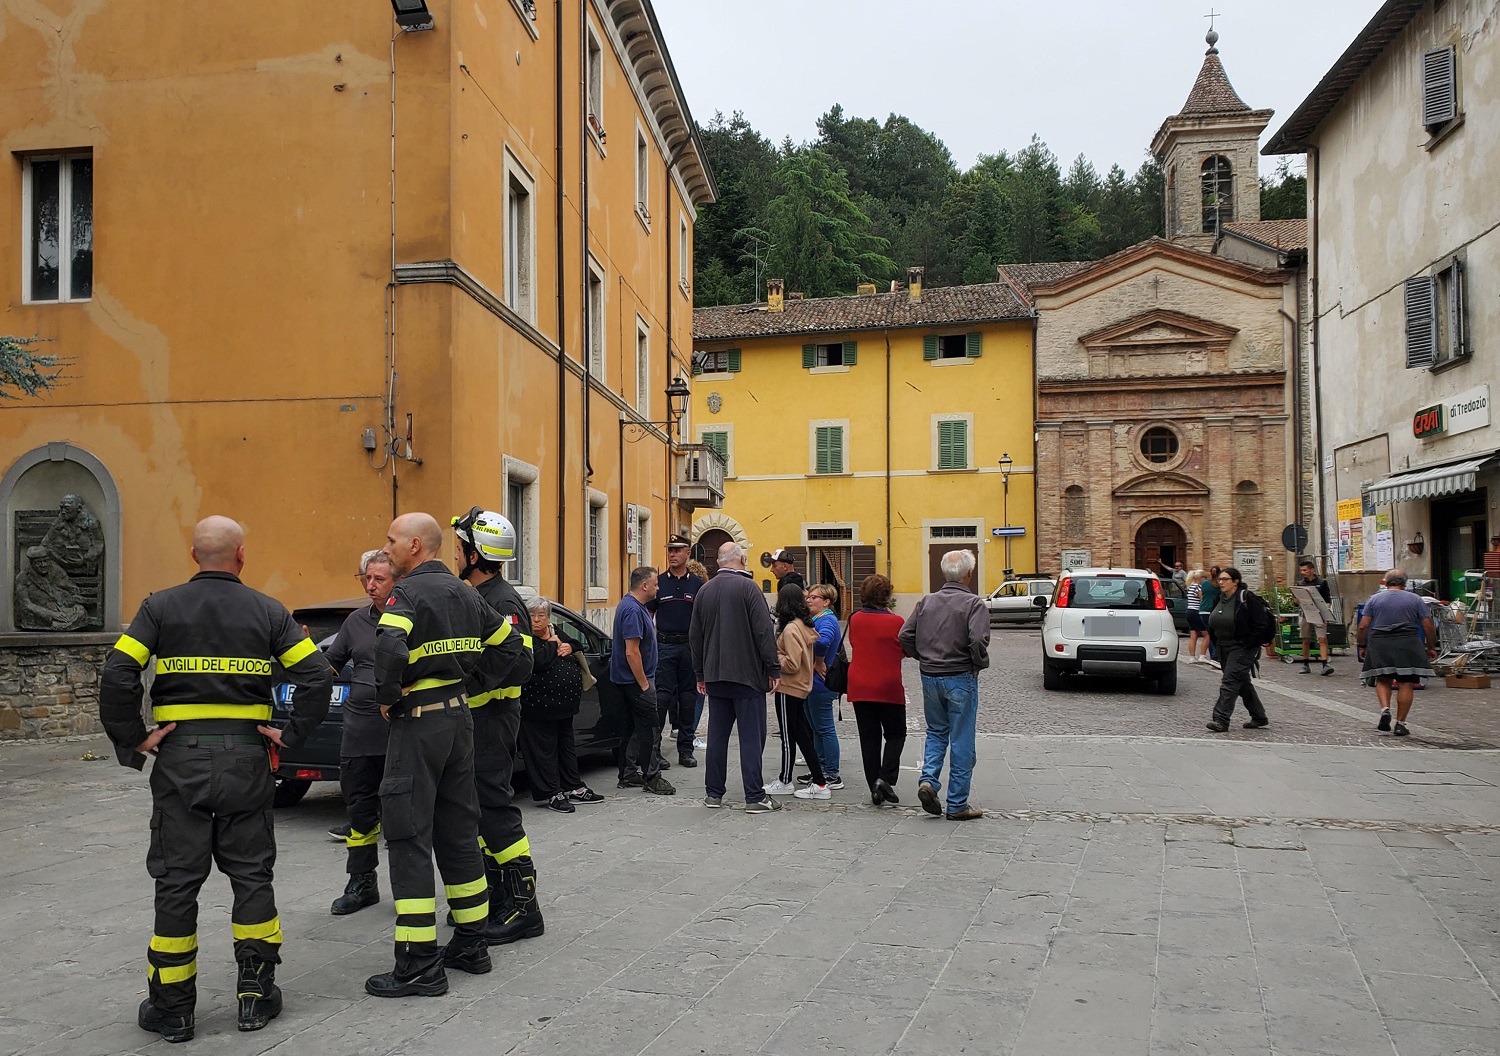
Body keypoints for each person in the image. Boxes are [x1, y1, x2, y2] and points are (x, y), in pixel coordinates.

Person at [99, 516, 331, 1042]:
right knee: (251, 875)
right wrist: (289, 736)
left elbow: (117, 672)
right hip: (246, 760)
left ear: (193, 554)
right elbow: (316, 674)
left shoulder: (160, 607)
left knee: (177, 882)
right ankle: (254, 994)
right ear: (241, 555)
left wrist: (134, 737)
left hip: (180, 759)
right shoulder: (268, 611)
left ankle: (173, 1008)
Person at [366, 512, 527, 998]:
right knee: (459, 833)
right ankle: (472, 945)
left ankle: (418, 963)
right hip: (461, 722)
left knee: (409, 833)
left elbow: (390, 649)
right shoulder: (468, 594)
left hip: (419, 724)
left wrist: (388, 696)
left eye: (392, 540)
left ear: (415, 545)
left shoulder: (408, 594)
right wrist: (472, 678)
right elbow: (516, 651)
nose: (388, 547)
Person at [450, 507, 543, 946]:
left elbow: (519, 662)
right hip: (480, 719)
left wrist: (470, 682)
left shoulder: (501, 601)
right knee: (482, 809)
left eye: (460, 547)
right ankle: (500, 895)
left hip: (493, 719)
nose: (456, 554)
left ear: (475, 554)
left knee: (495, 807)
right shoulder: (483, 595)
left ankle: (525, 907)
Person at [324, 549, 397, 916]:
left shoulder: (410, 619)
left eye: (378, 579)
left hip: (399, 731)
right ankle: (361, 882)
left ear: (396, 581)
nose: (370, 585)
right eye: (366, 578)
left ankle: (407, 885)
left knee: (402, 814)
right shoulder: (355, 622)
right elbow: (332, 664)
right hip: (358, 732)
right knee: (360, 811)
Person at [898, 550, 989, 821]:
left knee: (936, 732)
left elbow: (905, 634)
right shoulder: (974, 604)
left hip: (930, 676)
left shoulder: (926, 602)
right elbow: (977, 640)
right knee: (961, 738)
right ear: (968, 574)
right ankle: (957, 803)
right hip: (960, 675)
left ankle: (928, 780)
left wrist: (921, 655)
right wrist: (977, 663)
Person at [690, 541, 782, 812]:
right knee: (752, 736)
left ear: (719, 562)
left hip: (715, 675)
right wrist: (773, 668)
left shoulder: (704, 590)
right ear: (741, 560)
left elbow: (694, 635)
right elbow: (764, 633)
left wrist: (699, 672)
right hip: (747, 675)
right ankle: (754, 796)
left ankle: (713, 793)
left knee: (717, 735)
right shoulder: (749, 588)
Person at [518, 595, 602, 811]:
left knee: (566, 747)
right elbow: (538, 662)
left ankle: (573, 786)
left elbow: (575, 643)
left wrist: (567, 647)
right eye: (532, 615)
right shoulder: (523, 636)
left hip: (564, 706)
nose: (536, 620)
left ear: (548, 618)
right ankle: (552, 793)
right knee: (543, 751)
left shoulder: (554, 631)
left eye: (541, 616)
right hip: (538, 706)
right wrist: (553, 645)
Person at [612, 566, 674, 795]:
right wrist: (644, 683)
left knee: (630, 728)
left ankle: (627, 773)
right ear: (645, 585)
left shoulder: (632, 606)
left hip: (630, 680)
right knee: (649, 729)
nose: (658, 588)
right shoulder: (633, 610)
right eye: (656, 584)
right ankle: (652, 776)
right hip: (636, 681)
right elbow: (632, 651)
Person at [847, 574, 907, 806]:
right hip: (887, 684)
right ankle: (886, 778)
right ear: (887, 597)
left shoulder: (855, 619)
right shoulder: (897, 622)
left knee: (869, 738)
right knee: (895, 734)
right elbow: (905, 650)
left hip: (860, 683)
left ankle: (874, 786)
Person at [1357, 568, 1437, 737]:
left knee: (1383, 678)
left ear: (1385, 582)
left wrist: (1362, 645)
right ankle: (1400, 723)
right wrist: (1431, 646)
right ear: (1404, 583)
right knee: (1406, 682)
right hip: (1407, 641)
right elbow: (1428, 625)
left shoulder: (1374, 599)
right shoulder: (1415, 599)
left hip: (1380, 641)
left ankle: (1385, 709)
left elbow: (1363, 625)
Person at [768, 583, 829, 798]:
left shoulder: (792, 628)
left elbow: (792, 664)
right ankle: (820, 782)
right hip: (800, 686)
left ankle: (786, 780)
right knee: (802, 735)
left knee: (788, 735)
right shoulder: (803, 625)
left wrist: (774, 654)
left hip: (789, 687)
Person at [651, 534, 703, 768]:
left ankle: (685, 749)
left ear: (687, 553)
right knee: (661, 699)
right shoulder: (659, 582)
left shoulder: (697, 585)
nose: (672, 554)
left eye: (677, 550)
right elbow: (649, 614)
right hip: (665, 646)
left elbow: (703, 619)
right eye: (670, 550)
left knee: (688, 699)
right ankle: (655, 750)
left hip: (688, 648)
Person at [1204, 567, 1271, 733]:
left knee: (1230, 681)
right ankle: (1259, 716)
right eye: (1220, 579)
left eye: (1225, 579)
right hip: (1223, 646)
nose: (1221, 582)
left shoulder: (1246, 599)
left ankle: (1221, 719)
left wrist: (1249, 643)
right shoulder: (1219, 599)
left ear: (1236, 582)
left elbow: (1260, 624)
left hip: (1242, 647)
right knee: (1242, 683)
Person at [803, 583, 844, 789]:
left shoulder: (826, 619)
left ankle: (832, 773)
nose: (809, 600)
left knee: (825, 729)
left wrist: (819, 659)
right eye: (808, 597)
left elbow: (823, 641)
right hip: (814, 682)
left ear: (826, 602)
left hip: (822, 683)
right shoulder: (818, 619)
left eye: (814, 597)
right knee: (817, 728)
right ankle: (819, 768)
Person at [686, 559, 711, 749]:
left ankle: (679, 729)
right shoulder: (703, 593)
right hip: (695, 648)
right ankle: (690, 732)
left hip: (677, 645)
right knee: (697, 691)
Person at [1296, 559, 1335, 676]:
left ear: (1312, 570)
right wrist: (1297, 600)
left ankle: (1325, 664)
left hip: (1319, 613)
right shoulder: (1300, 584)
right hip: (1306, 613)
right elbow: (1295, 601)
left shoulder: (1321, 583)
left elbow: (1328, 600)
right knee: (1305, 639)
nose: (1303, 572)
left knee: (1322, 639)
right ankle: (1305, 664)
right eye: (1301, 570)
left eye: (1305, 570)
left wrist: (1325, 609)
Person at [1199, 565, 1223, 667]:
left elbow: (1201, 594)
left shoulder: (1204, 583)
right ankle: (1215, 657)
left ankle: (1213, 657)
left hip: (1203, 610)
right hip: (1214, 610)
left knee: (1209, 634)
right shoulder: (1219, 585)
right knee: (1216, 635)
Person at [1184, 570, 1209, 663]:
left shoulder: (1190, 586)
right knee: (1207, 635)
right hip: (1196, 611)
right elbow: (1202, 599)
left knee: (1193, 635)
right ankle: (1202, 655)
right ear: (1201, 578)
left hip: (1189, 611)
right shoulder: (1198, 587)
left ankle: (1192, 657)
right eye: (1205, 578)